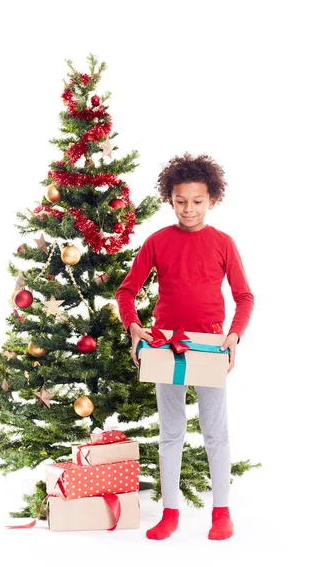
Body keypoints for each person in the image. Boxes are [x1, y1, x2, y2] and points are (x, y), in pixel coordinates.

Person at [115, 153, 254, 541]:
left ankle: (221, 512)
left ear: (212, 200)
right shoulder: (158, 242)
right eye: (181, 201)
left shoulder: (223, 243)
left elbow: (244, 296)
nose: (188, 209)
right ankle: (170, 512)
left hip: (210, 348)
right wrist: (134, 327)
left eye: (197, 201)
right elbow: (127, 290)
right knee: (171, 432)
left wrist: (234, 335)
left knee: (216, 432)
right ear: (170, 199)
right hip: (166, 347)